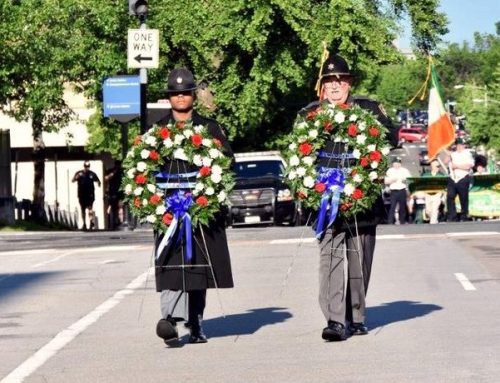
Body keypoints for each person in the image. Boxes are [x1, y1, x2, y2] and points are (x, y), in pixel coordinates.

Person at [300, 53, 399, 341]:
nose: (334, 86)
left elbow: (392, 137)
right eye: (329, 81)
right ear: (322, 86)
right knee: (329, 259)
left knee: (359, 261)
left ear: (349, 83)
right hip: (326, 201)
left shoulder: (367, 108)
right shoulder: (309, 114)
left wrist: (370, 129)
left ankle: (355, 315)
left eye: (340, 80)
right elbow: (298, 148)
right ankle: (334, 321)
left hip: (362, 198)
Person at [154, 68, 234, 345]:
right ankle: (169, 319)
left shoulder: (210, 127)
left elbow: (227, 162)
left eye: (184, 93)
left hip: (202, 205)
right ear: (169, 98)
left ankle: (196, 321)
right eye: (175, 93)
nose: (180, 97)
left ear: (192, 96)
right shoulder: (157, 130)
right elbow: (145, 166)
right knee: (171, 262)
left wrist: (207, 193)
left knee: (197, 266)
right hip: (169, 210)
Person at [444, 138, 474, 222]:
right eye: (457, 145)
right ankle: (452, 216)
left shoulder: (467, 154)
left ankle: (464, 215)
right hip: (453, 177)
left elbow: (468, 166)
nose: (459, 146)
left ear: (463, 145)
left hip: (463, 177)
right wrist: (448, 153)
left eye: (461, 145)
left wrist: (457, 166)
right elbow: (445, 161)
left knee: (463, 197)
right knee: (450, 196)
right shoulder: (453, 154)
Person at [72, 161, 101, 230]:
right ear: (84, 166)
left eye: (88, 166)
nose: (87, 168)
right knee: (83, 209)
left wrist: (99, 184)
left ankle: (91, 222)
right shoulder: (79, 173)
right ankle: (84, 224)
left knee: (90, 208)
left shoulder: (92, 174)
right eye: (86, 166)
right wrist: (77, 177)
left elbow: (98, 181)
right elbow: (73, 180)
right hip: (81, 194)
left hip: (90, 194)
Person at [384, 157, 411, 224]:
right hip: (393, 191)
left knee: (402, 207)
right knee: (392, 207)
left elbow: (409, 179)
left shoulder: (404, 170)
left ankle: (403, 221)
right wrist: (392, 180)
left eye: (398, 163)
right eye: (395, 163)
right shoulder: (390, 171)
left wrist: (404, 179)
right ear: (393, 164)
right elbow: (385, 181)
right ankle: (390, 221)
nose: (397, 165)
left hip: (402, 190)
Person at [104, 160, 124, 230]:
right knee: (112, 208)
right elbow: (106, 178)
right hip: (112, 192)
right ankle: (112, 223)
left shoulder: (122, 171)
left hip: (120, 191)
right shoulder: (112, 171)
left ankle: (120, 222)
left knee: (120, 207)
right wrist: (113, 173)